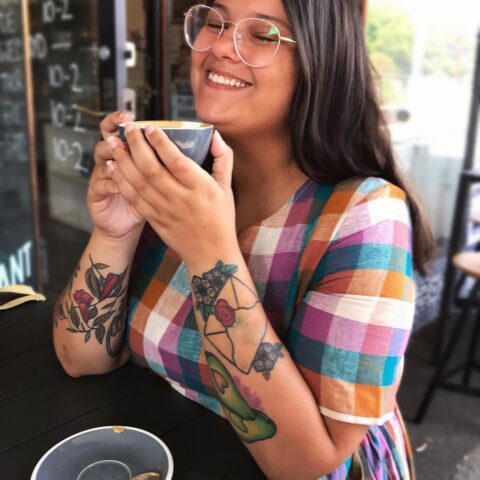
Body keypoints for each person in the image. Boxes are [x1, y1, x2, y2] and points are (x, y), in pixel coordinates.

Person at [53, 0, 434, 478]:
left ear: (322, 59)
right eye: (215, 22)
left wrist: (207, 252)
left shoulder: (365, 217)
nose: (220, 48)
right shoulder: (181, 174)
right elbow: (79, 359)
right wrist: (115, 231)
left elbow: (307, 463)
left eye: (264, 35)